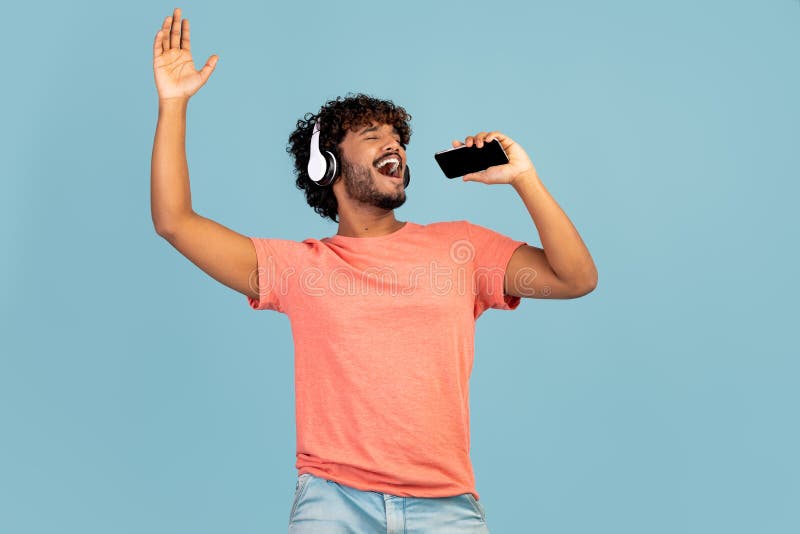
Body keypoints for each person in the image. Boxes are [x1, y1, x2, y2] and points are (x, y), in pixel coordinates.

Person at [151, 8, 598, 533]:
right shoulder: (297, 267)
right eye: (371, 135)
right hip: (333, 503)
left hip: (446, 507)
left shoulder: (462, 249)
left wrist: (526, 179)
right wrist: (174, 103)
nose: (395, 145)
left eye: (398, 138)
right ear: (327, 167)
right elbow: (175, 222)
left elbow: (575, 278)